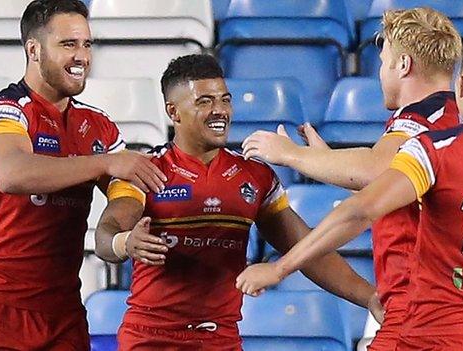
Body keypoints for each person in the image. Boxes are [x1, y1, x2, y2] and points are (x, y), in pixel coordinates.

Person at [236, 33, 463, 350]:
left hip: (429, 337)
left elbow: (362, 209)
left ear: (461, 84)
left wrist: (279, 268)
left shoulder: (436, 150)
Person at [94, 54, 383, 350]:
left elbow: (306, 248)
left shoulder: (255, 176)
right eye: (204, 102)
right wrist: (125, 242)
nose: (219, 111)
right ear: (174, 112)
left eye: (225, 100)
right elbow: (107, 232)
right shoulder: (144, 170)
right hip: (149, 339)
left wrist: (368, 296)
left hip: (221, 339)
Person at [241, 7, 462, 350]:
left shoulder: (420, 122)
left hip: (416, 317)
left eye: (384, 60)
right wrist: (325, 158)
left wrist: (289, 154)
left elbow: (374, 173)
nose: (380, 73)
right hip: (444, 312)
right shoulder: (457, 121)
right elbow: (392, 182)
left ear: (403, 65)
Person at [0, 1, 167, 350]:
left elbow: (123, 198)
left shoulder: (100, 128)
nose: (82, 56)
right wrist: (104, 164)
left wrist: (119, 238)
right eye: (69, 44)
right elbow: (11, 174)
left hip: (64, 317)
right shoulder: (4, 110)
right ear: (33, 49)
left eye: (86, 44)